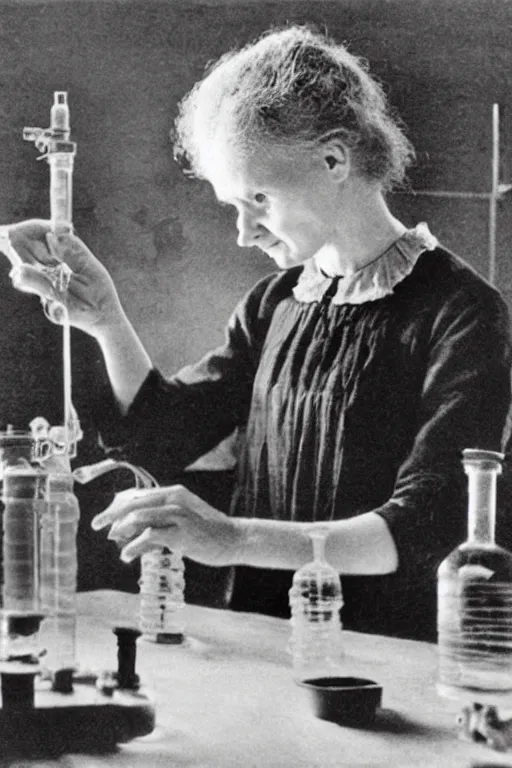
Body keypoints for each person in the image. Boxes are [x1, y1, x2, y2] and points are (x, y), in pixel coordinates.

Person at [1, 24, 511, 641]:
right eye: (232, 207)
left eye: (260, 200)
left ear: (334, 160)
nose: (245, 233)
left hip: (382, 660)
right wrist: (106, 318)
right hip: (263, 640)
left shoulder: (461, 311)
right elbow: (164, 434)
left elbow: (425, 525)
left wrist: (234, 537)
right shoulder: (276, 302)